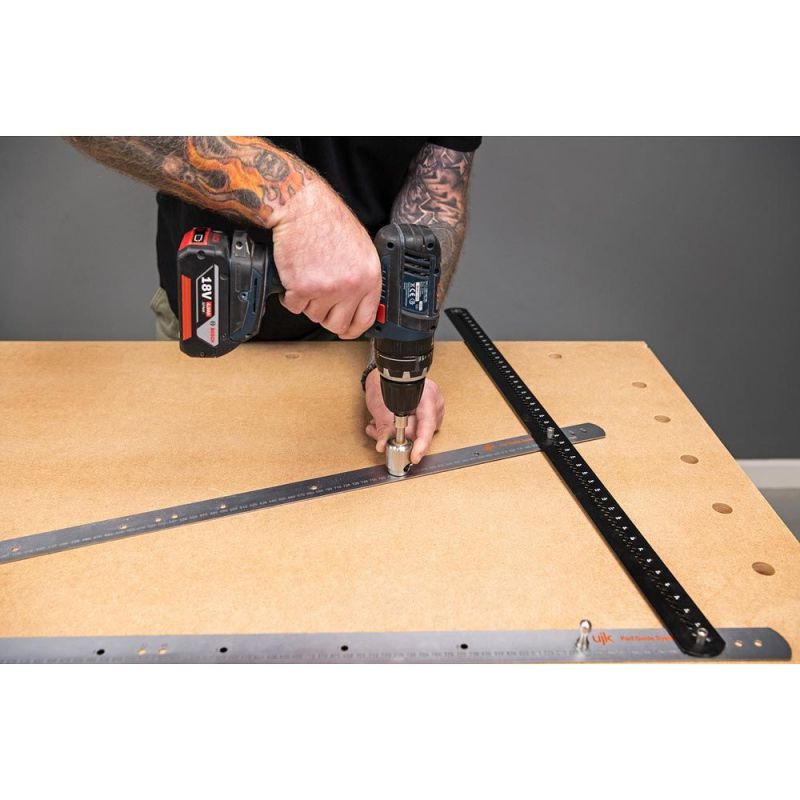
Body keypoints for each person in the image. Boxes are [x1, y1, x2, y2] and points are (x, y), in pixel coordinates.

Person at [67, 137, 480, 463]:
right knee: (184, 476)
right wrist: (300, 204)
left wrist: (393, 356)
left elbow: (435, 196)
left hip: (352, 336)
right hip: (209, 316)